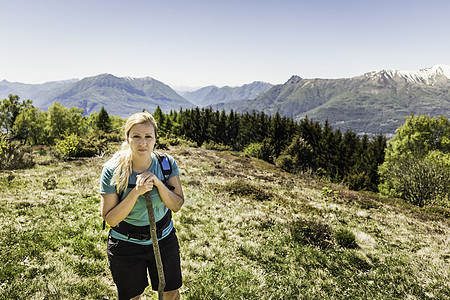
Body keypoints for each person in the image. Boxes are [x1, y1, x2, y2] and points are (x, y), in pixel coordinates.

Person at [100, 112, 184, 300]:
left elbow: (177, 204)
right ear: (127, 138)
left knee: (170, 293)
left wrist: (159, 184)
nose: (142, 143)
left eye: (148, 137)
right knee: (132, 296)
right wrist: (136, 192)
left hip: (164, 239)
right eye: (136, 136)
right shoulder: (113, 170)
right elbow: (111, 219)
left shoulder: (165, 164)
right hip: (125, 244)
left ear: (155, 138)